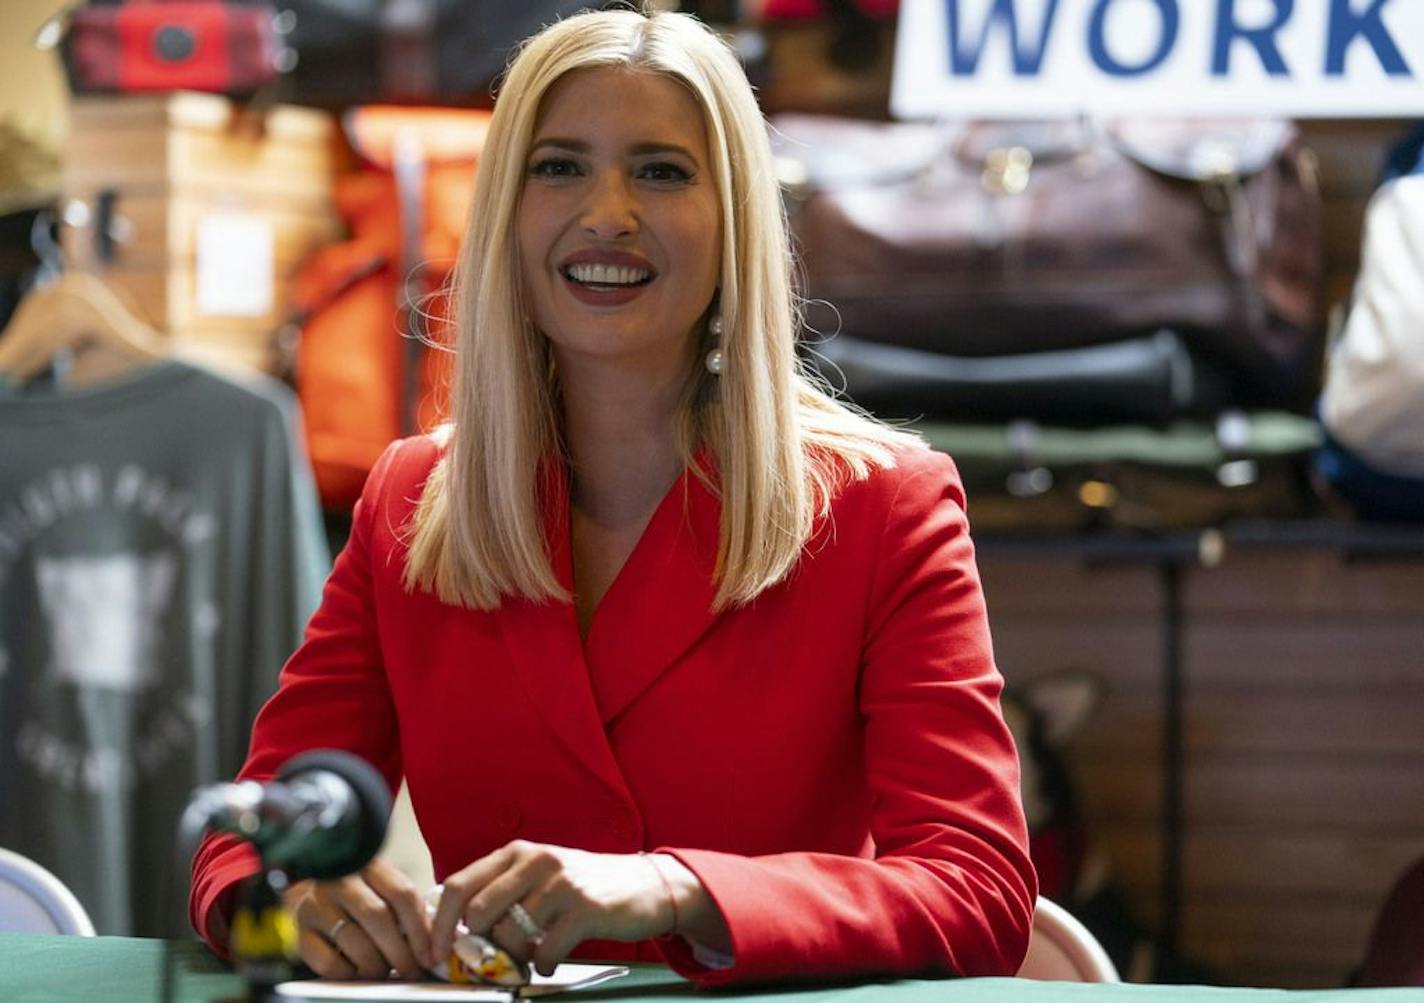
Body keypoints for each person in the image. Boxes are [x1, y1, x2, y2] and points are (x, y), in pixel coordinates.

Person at [189, 7, 1036, 987]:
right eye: (558, 167)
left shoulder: (885, 505)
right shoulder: (411, 496)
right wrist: (292, 895)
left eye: (661, 170)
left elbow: (974, 889)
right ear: (505, 209)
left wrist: (677, 889)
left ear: (736, 220)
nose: (606, 213)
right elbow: (249, 827)